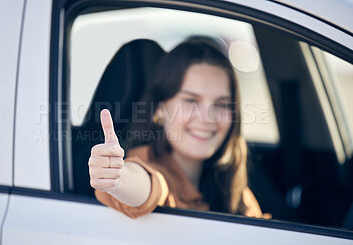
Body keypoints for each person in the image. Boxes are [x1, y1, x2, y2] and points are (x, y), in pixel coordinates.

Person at [88, 37, 269, 219]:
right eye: (191, 101)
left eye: (222, 104)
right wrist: (118, 178)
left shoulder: (232, 187)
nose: (207, 118)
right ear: (160, 108)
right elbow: (148, 185)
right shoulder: (151, 167)